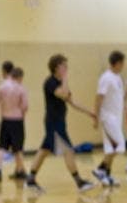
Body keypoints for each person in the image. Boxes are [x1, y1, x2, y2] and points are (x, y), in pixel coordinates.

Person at [26, 54, 95, 193]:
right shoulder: (50, 83)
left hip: (59, 122)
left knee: (44, 150)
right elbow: (63, 94)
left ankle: (30, 180)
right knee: (68, 151)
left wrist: (90, 113)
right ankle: (79, 182)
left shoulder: (60, 83)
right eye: (64, 65)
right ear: (57, 67)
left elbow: (72, 102)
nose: (67, 68)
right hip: (53, 122)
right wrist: (65, 78)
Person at [93, 51, 126, 187]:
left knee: (110, 149)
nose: (123, 66)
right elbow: (99, 98)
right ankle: (100, 169)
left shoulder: (117, 77)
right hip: (108, 118)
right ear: (117, 63)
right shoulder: (106, 78)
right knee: (120, 146)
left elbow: (118, 98)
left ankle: (107, 176)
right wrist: (96, 117)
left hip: (116, 118)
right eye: (123, 63)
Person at [0, 66, 28, 183]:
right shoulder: (21, 88)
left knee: (1, 146)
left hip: (5, 120)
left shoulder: (2, 87)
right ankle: (22, 170)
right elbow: (25, 107)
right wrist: (22, 117)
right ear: (20, 77)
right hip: (17, 120)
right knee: (18, 148)